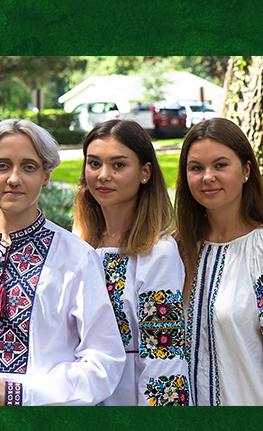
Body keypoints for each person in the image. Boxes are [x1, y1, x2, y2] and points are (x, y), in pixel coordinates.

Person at [0, 119, 126, 406]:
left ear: (46, 176)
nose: (13, 178)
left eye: (29, 167)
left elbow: (103, 360)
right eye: (2, 166)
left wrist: (19, 393)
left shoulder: (75, 258)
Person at [175, 117, 263, 406]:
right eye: (196, 168)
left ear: (245, 170)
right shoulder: (178, 249)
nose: (207, 177)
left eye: (220, 165)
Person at [73, 119, 190, 406]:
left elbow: (164, 354)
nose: (103, 175)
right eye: (94, 163)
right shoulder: (76, 246)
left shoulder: (157, 253)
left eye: (118, 165)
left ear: (145, 172)